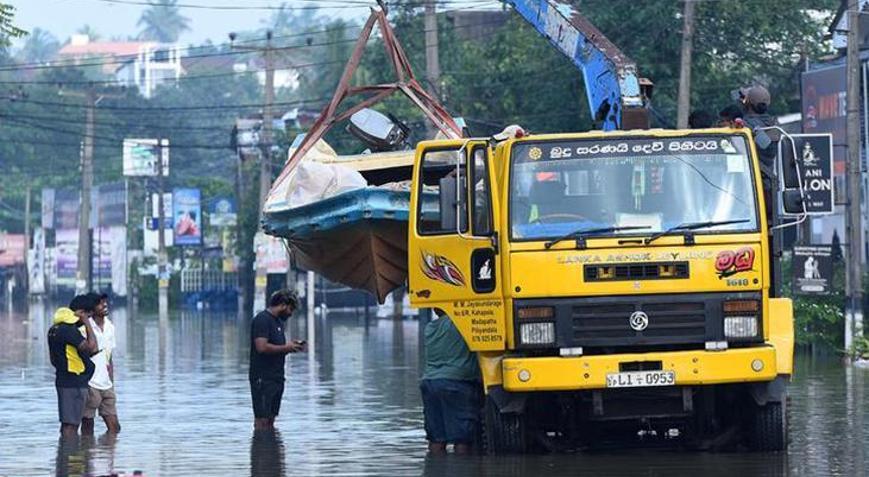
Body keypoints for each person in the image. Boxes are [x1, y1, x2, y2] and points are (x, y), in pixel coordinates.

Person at [419, 310, 481, 455]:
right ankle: (462, 470)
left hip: (430, 383)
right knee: (462, 440)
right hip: (457, 383)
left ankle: (435, 469)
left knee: (436, 439)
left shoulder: (430, 328)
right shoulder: (462, 323)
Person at [249, 289, 305, 430]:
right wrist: (286, 348)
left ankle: (271, 450)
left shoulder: (278, 323)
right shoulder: (262, 320)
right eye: (290, 309)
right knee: (262, 419)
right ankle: (261, 449)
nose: (291, 313)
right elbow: (261, 347)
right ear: (282, 305)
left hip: (276, 377)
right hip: (262, 378)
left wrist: (292, 347)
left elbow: (278, 348)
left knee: (271, 419)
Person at [48, 295, 98, 437]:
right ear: (81, 313)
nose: (88, 319)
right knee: (72, 425)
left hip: (64, 380)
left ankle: (66, 455)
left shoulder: (54, 329)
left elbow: (53, 359)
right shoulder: (68, 330)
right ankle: (70, 455)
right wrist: (87, 323)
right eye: (88, 315)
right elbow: (92, 347)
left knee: (67, 423)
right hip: (74, 382)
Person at [82, 292, 120, 435]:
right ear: (92, 308)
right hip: (90, 383)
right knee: (87, 427)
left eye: (105, 302)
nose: (104, 305)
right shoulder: (85, 326)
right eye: (100, 303)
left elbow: (109, 357)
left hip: (106, 384)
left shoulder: (110, 326)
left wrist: (112, 381)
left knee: (115, 428)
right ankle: (86, 454)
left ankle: (108, 453)